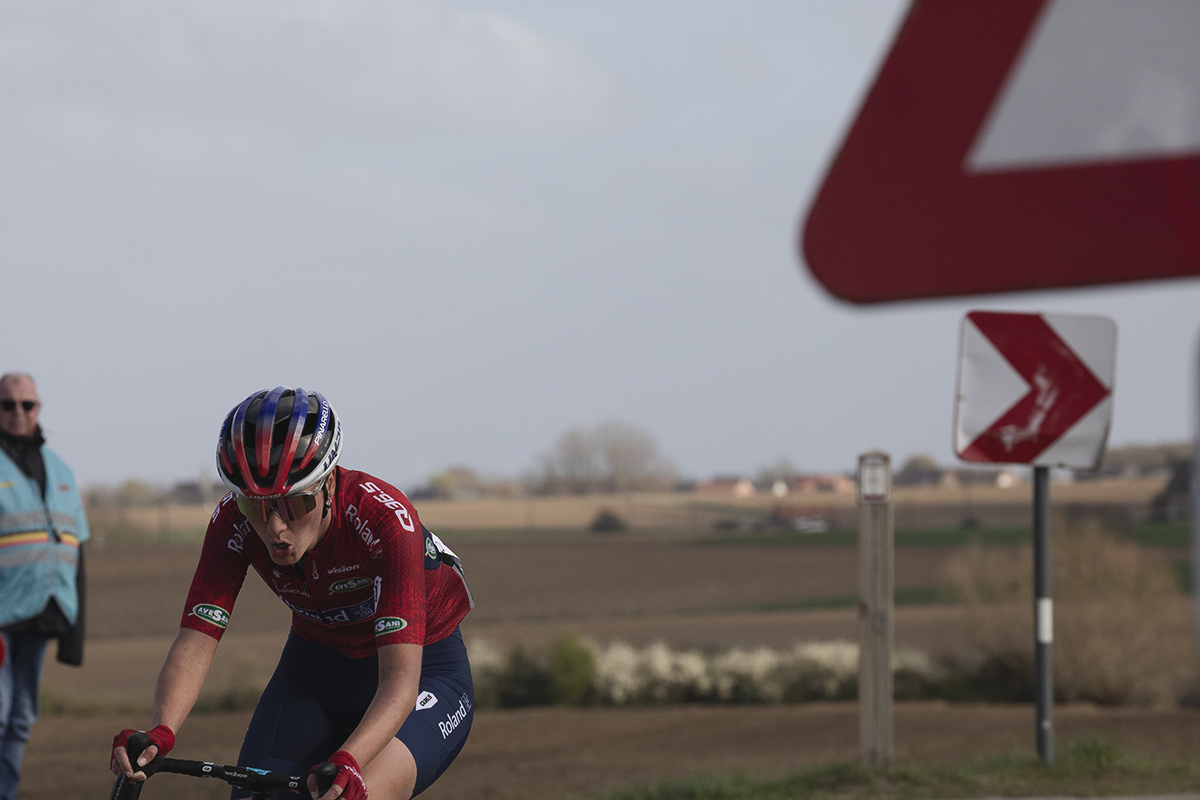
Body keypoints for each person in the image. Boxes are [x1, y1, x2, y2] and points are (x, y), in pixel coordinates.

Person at [111, 387, 473, 800]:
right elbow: (196, 640)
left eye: (294, 505)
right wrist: (162, 728)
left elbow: (400, 679)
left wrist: (351, 759)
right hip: (314, 673)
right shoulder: (232, 521)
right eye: (255, 507)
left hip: (423, 673)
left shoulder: (386, 522)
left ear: (329, 482)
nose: (275, 527)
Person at [0, 373, 89, 800]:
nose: (18, 412)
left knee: (20, 720)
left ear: (38, 409)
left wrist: (74, 635)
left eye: (27, 404)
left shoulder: (61, 470)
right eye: (8, 404)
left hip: (43, 613)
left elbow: (76, 555)